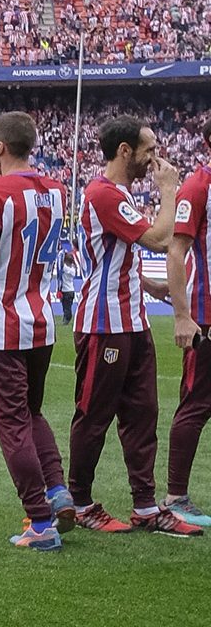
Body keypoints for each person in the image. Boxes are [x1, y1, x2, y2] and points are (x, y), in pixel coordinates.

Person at [67, 119, 195, 535]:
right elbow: (159, 240)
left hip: (132, 320)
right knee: (95, 415)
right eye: (149, 149)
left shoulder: (116, 195)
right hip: (104, 324)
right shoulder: (103, 193)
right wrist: (169, 189)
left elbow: (111, 259)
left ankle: (145, 507)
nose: (155, 158)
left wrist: (148, 285)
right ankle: (80, 502)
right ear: (125, 151)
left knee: (142, 415)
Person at [0, 112, 72, 551]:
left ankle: (40, 521)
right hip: (41, 319)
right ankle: (57, 489)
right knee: (33, 412)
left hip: (0, 324)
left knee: (10, 423)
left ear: (1, 147)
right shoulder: (57, 190)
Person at [163, 128, 211, 527]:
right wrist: (182, 315)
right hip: (207, 319)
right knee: (197, 403)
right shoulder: (198, 186)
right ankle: (175, 495)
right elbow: (175, 252)